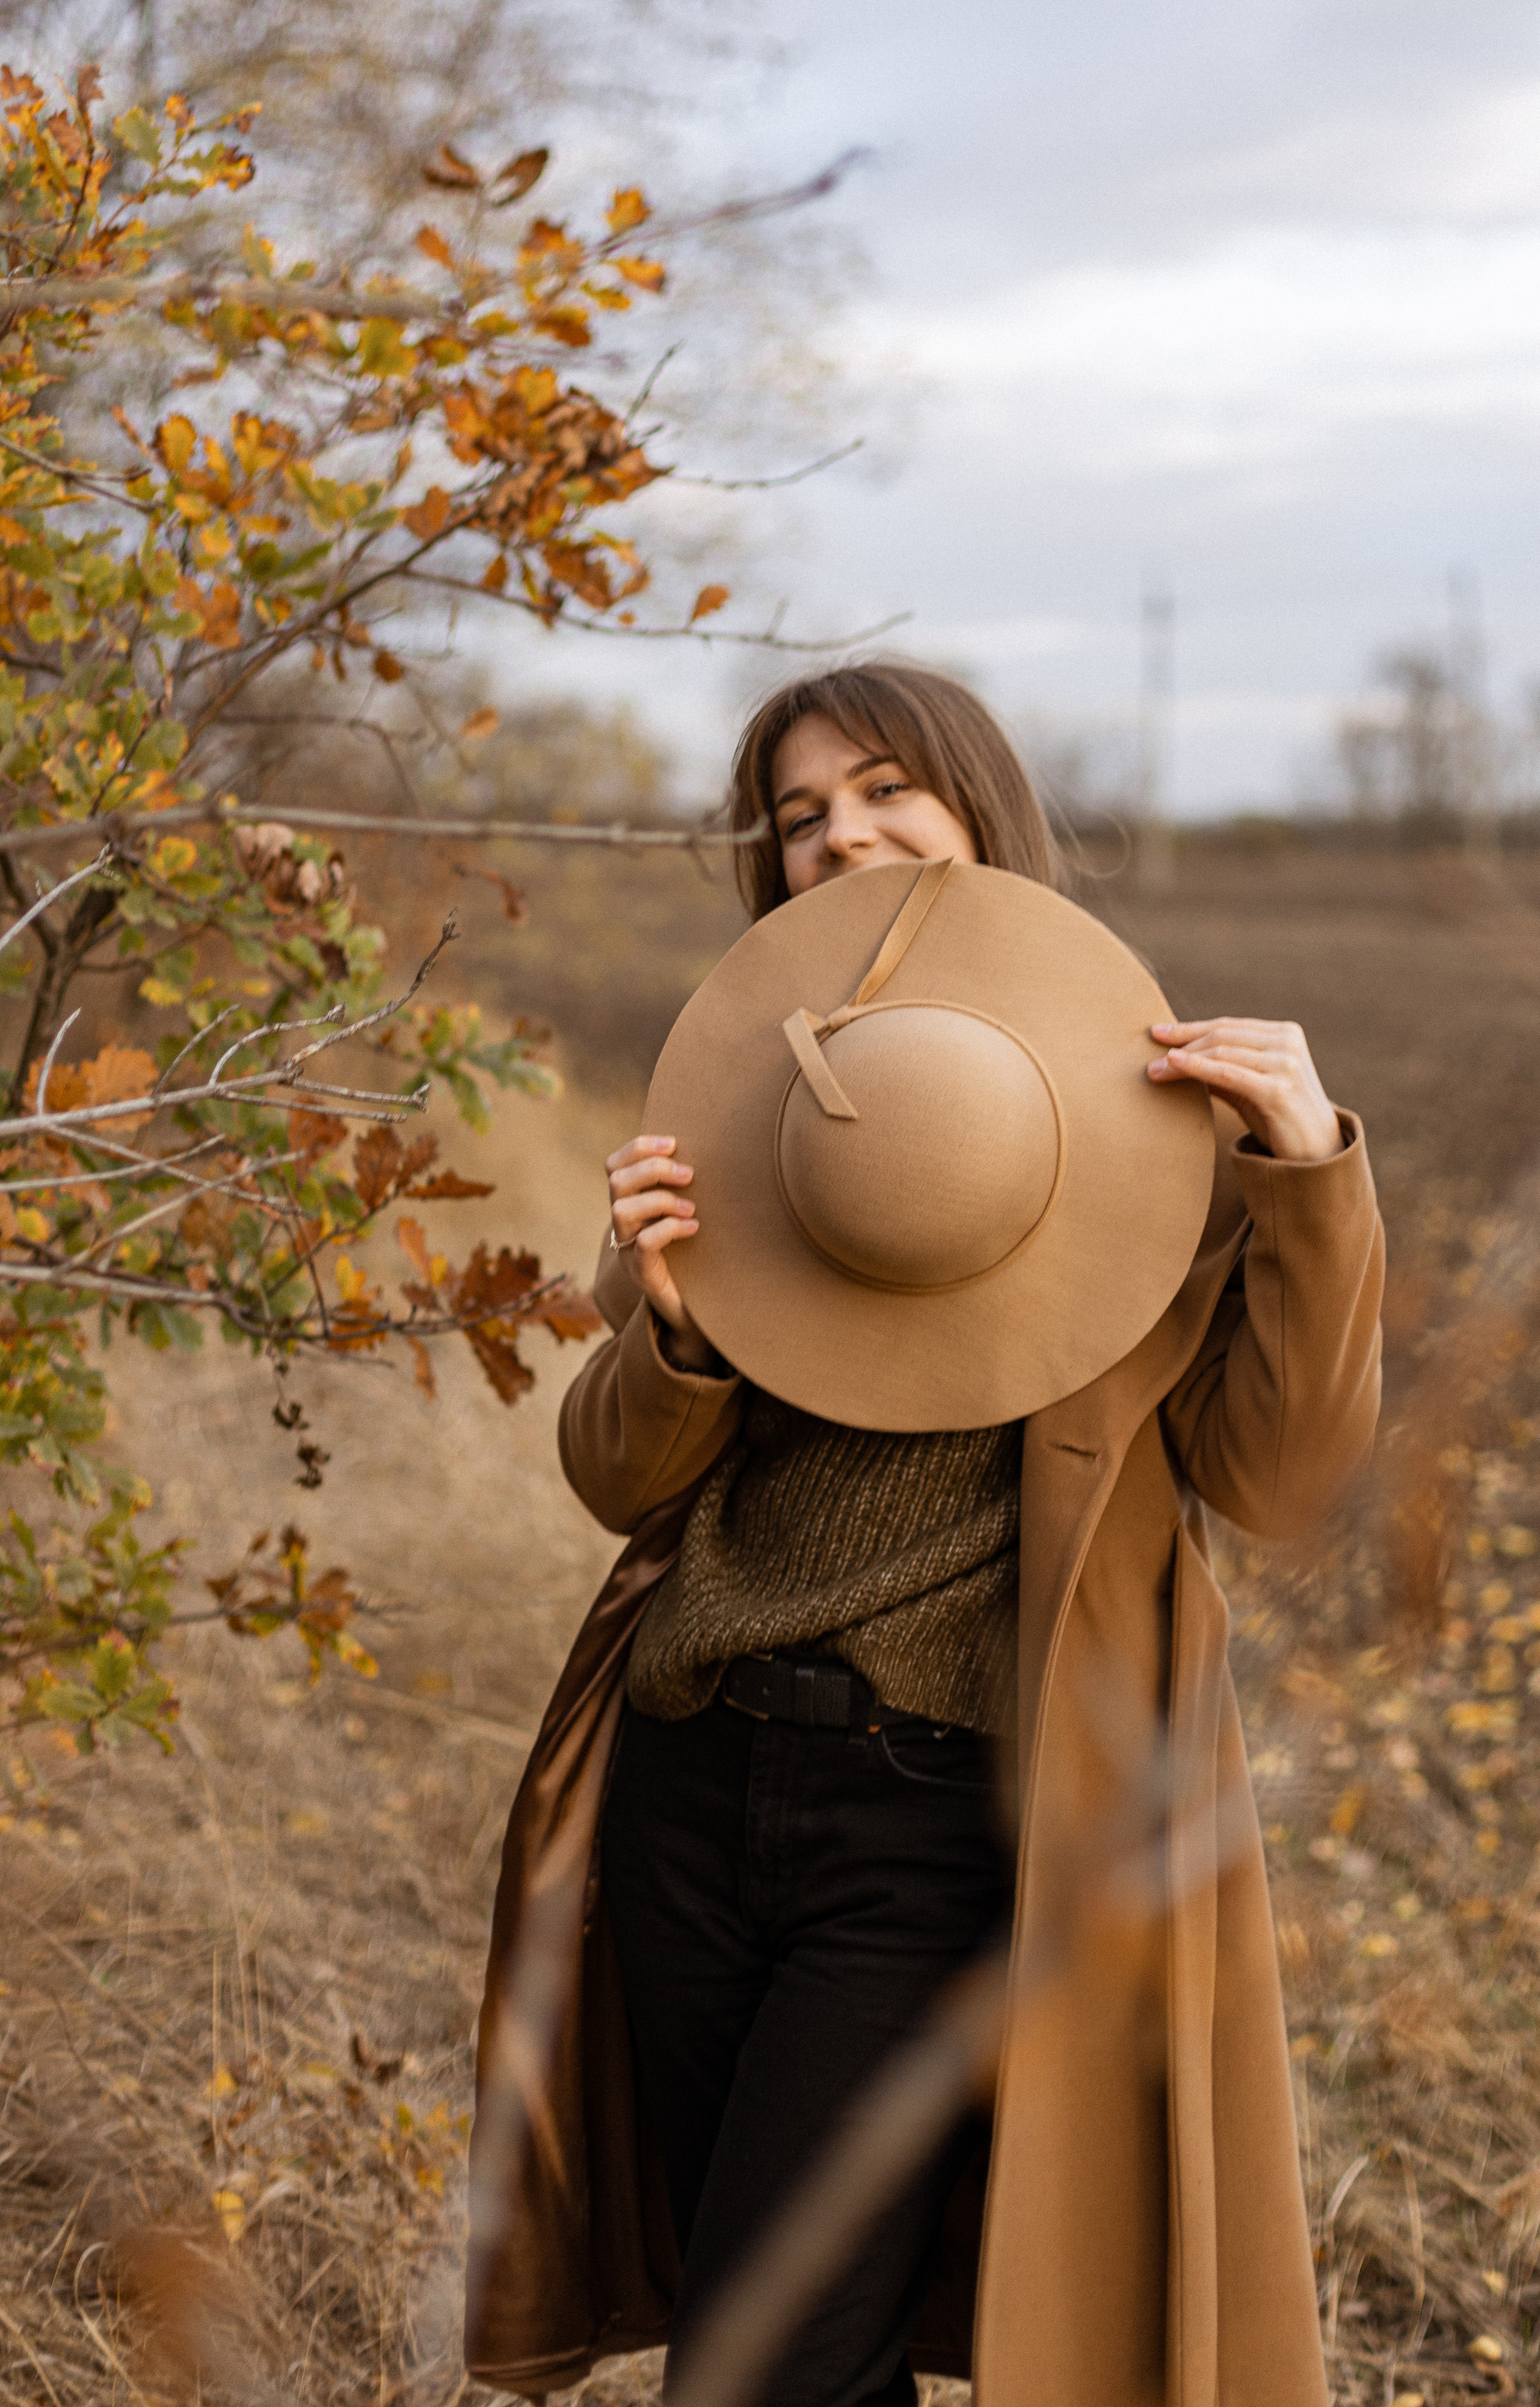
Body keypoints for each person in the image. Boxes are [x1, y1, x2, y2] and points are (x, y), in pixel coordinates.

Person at [465, 662, 1385, 2407]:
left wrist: (1311, 1181)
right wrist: (669, 1330)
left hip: (939, 1819)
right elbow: (614, 1478)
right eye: (799, 814)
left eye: (886, 789)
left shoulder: (1155, 1129)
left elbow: (1284, 1481)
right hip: (688, 1778)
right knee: (806, 2340)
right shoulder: (754, 1103)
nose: (841, 835)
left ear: (981, 807)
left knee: (761, 2361)